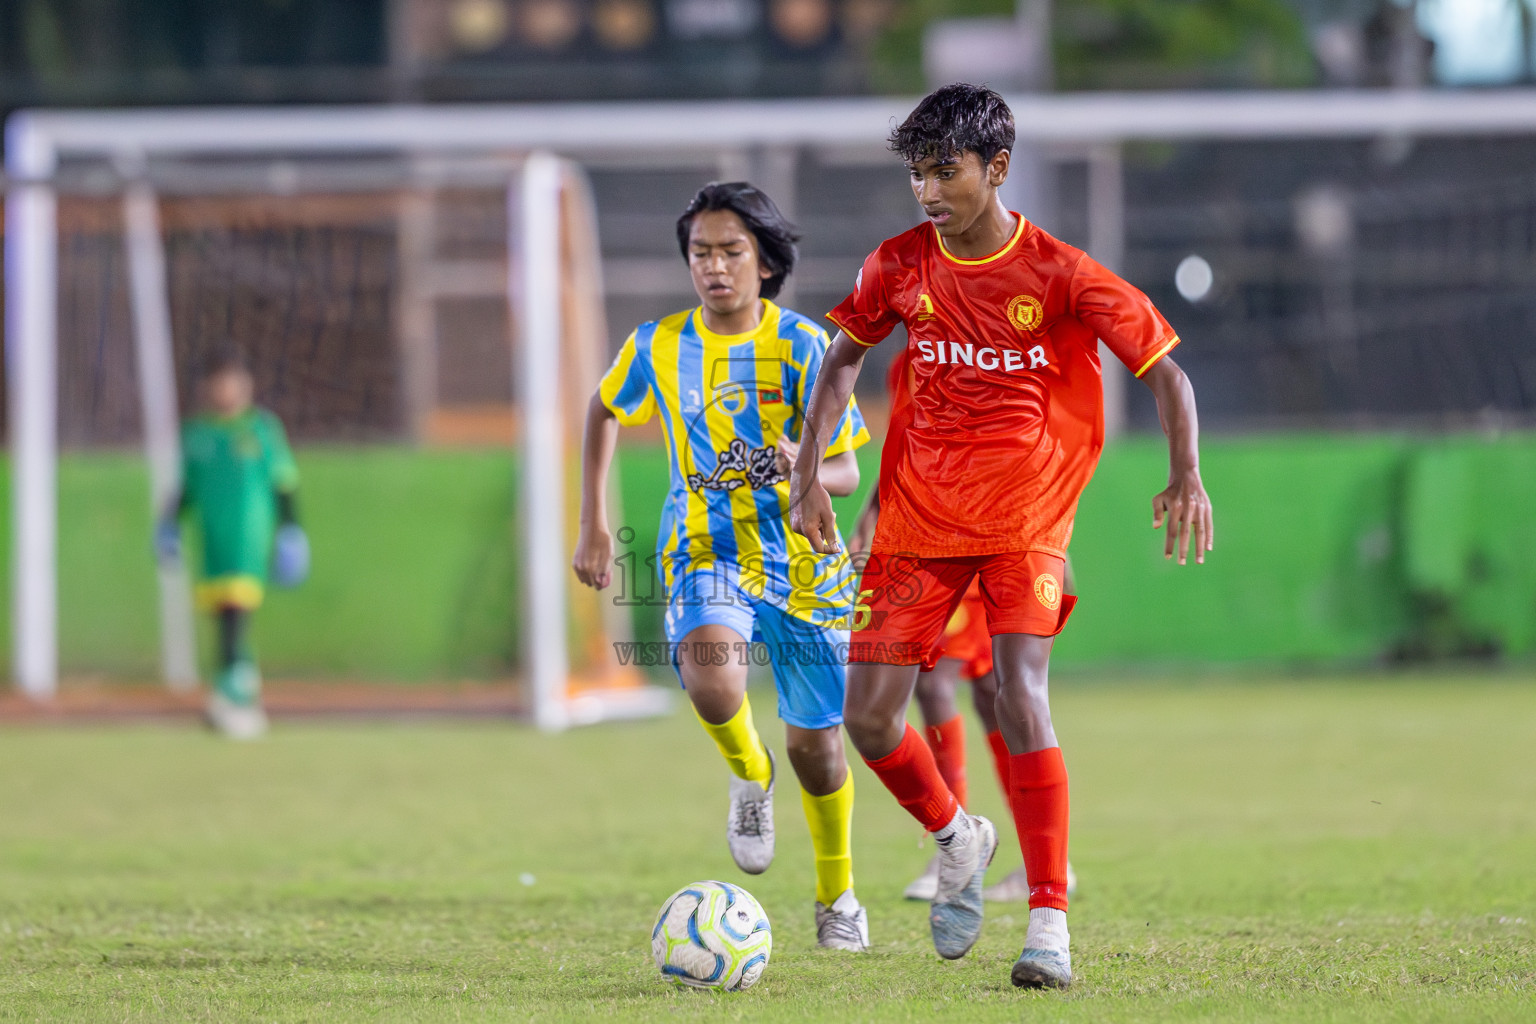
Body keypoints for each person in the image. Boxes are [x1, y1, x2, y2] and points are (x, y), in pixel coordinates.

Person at [790, 83, 1213, 988]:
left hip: (1026, 515)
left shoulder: (1060, 271)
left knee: (1019, 696)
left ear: (998, 169)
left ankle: (1050, 922)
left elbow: (1167, 375)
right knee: (868, 719)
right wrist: (806, 477)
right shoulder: (898, 266)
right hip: (916, 519)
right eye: (917, 173)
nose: (929, 191)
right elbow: (841, 360)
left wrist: (1187, 474)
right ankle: (958, 837)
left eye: (946, 171)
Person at [572, 182, 873, 950]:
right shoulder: (657, 345)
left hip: (802, 563)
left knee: (819, 748)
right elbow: (605, 408)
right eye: (701, 252)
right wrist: (594, 524)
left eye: (731, 251)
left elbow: (844, 472)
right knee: (713, 679)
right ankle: (749, 774)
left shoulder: (807, 347)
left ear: (766, 263)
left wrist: (799, 467)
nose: (714, 266)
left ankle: (838, 895)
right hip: (703, 552)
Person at [850, 348, 1078, 904]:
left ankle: (959, 847)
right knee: (987, 693)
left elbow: (1044, 438)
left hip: (999, 539)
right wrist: (870, 517)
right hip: (938, 534)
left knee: (940, 682)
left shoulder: (1004, 338)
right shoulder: (911, 359)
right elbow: (910, 447)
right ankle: (1029, 861)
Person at [155, 352, 309, 740]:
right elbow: (186, 488)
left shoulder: (261, 429)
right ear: (209, 387)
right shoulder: (196, 434)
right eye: (220, 382)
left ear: (247, 386)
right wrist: (169, 526)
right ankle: (237, 695)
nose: (228, 391)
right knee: (224, 618)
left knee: (234, 614)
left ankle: (234, 699)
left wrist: (291, 529)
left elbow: (284, 481)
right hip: (211, 542)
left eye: (235, 382)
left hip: (248, 539)